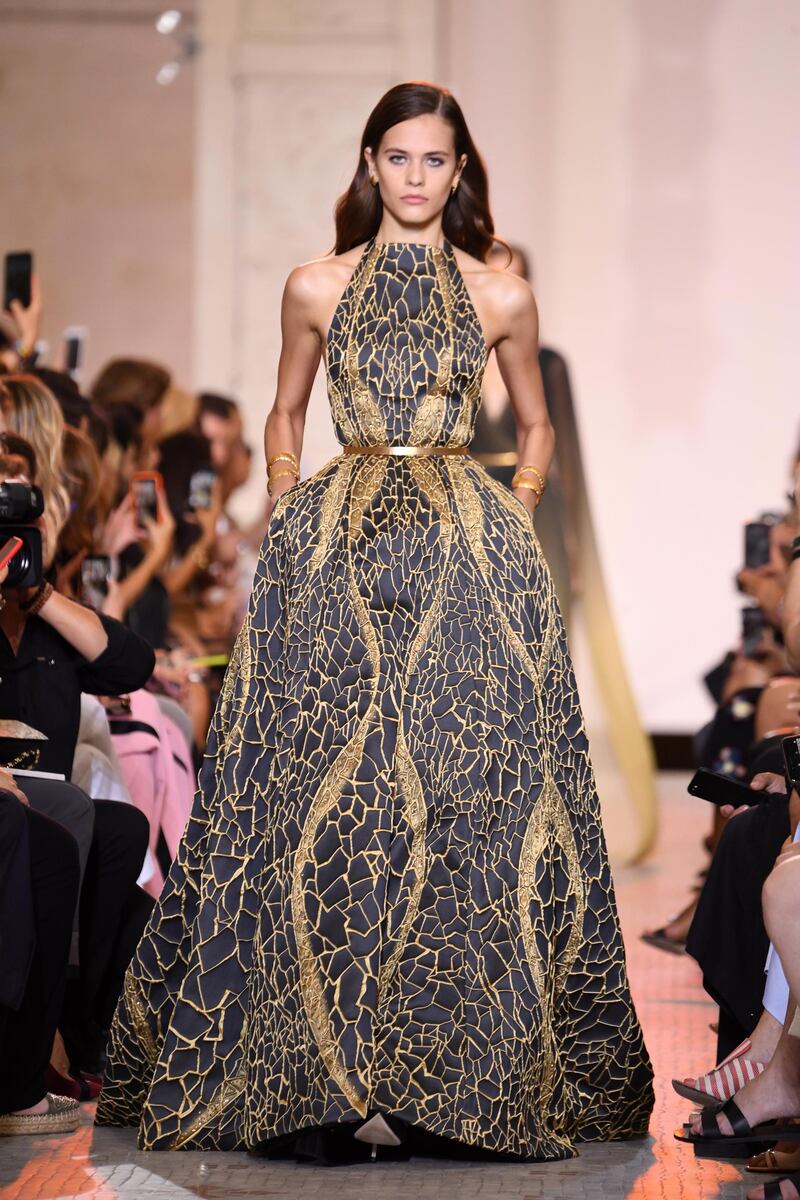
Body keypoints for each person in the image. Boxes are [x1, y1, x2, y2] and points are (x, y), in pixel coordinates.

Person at [97, 80, 654, 1161]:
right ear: (368, 163)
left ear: (457, 171)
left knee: (462, 804)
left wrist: (507, 519)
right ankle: (303, 1080)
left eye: (432, 160)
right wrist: (294, 494)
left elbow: (535, 427)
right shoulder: (315, 284)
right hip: (335, 555)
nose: (411, 176)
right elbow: (283, 405)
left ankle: (448, 1083)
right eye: (395, 157)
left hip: (464, 558)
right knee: (319, 799)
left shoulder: (499, 296)